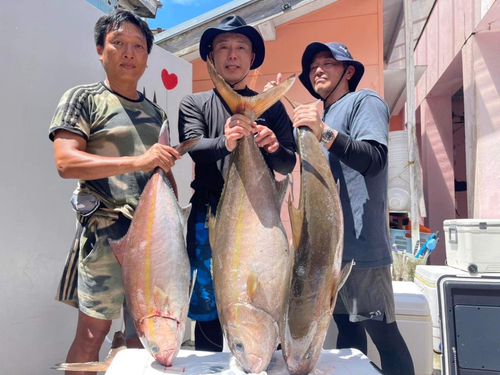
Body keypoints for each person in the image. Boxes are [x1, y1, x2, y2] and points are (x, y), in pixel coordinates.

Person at [49, 10, 180, 374]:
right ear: (99, 49)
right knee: (93, 334)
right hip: (105, 232)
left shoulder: (155, 112)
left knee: (144, 335)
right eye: (118, 43)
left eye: (138, 46)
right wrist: (138, 161)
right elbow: (66, 162)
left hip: (151, 241)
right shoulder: (83, 98)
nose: (129, 52)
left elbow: (162, 172)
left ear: (147, 56)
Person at [292, 41, 415, 375]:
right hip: (329, 254)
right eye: (313, 65)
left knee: (385, 337)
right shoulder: (323, 116)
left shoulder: (365, 101)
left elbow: (374, 161)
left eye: (328, 63)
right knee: (347, 335)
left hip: (362, 253)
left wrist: (325, 133)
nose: (317, 69)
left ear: (348, 71)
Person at [178, 15, 296, 352]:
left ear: (252, 57)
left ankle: (259, 356)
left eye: (241, 47)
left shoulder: (271, 108)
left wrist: (273, 146)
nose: (232, 54)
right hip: (209, 215)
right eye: (224, 47)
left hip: (261, 217)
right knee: (208, 305)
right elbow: (193, 149)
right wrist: (224, 142)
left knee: (263, 293)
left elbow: (289, 162)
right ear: (211, 57)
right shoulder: (195, 102)